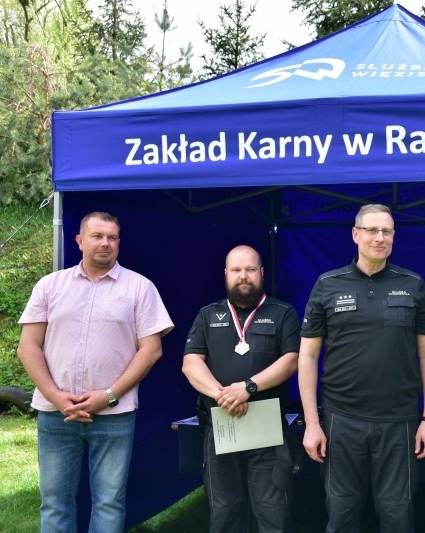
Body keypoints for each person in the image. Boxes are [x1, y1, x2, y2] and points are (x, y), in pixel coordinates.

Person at [17, 211, 174, 533]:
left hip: (114, 414)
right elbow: (28, 347)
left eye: (112, 238)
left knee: (109, 502)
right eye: (98, 236)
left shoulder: (139, 288)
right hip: (56, 414)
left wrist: (109, 395)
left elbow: (152, 349)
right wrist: (55, 397)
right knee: (54, 501)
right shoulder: (50, 286)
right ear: (79, 241)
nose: (106, 243)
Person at [298, 204, 425, 533]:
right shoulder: (327, 284)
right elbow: (307, 357)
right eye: (373, 230)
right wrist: (312, 424)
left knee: (397, 514)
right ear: (355, 234)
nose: (380, 238)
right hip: (340, 419)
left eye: (387, 231)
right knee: (342, 512)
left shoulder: (413, 284)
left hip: (399, 419)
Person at [182, 245, 301, 533]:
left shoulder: (283, 313)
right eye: (236, 270)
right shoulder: (208, 315)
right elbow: (190, 363)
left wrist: (248, 388)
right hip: (223, 426)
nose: (243, 276)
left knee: (272, 512)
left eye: (249, 270)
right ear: (226, 274)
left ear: (261, 273)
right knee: (224, 512)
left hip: (266, 430)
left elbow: (292, 360)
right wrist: (223, 396)